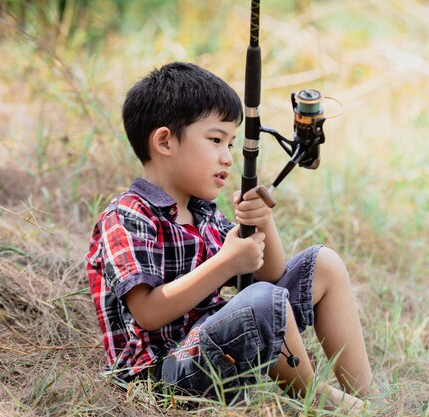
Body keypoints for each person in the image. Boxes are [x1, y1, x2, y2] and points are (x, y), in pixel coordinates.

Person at [85, 62, 372, 410]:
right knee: (263, 300)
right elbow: (146, 312)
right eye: (216, 140)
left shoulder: (204, 213)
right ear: (164, 141)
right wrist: (225, 263)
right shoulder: (127, 215)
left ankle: (368, 395)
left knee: (322, 264)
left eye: (232, 144)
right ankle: (322, 403)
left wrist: (263, 223)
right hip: (163, 377)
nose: (227, 158)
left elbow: (270, 275)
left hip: (216, 353)